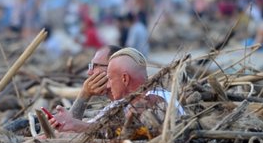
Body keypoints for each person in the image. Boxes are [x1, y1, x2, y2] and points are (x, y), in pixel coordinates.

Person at [49, 47, 183, 133]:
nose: (89, 72)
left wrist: (76, 125)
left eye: (110, 77)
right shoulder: (121, 104)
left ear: (124, 78)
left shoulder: (153, 99)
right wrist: (82, 98)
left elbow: (115, 131)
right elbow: (80, 130)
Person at [70, 45, 122, 120]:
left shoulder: (131, 106)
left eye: (96, 65)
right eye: (91, 66)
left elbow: (72, 126)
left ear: (114, 68)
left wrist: (84, 94)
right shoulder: (111, 105)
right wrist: (85, 93)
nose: (89, 72)